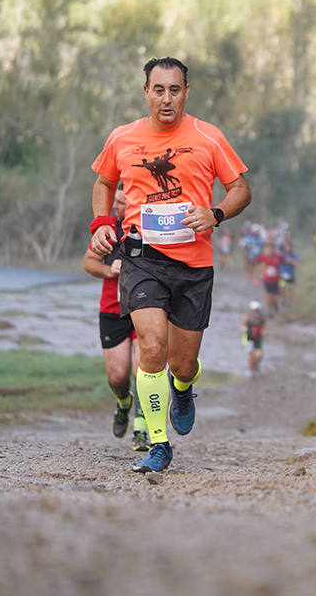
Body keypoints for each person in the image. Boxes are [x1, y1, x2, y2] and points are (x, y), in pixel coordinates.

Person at [89, 56, 251, 473]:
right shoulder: (123, 137)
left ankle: (183, 387)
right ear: (146, 92)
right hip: (142, 258)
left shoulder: (208, 136)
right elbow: (104, 182)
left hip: (194, 265)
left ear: (186, 92)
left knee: (182, 362)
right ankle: (158, 444)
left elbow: (240, 189)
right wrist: (103, 223)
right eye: (158, 90)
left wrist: (214, 214)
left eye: (174, 90)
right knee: (153, 346)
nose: (166, 98)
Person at [82, 185, 149, 451]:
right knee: (118, 375)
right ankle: (123, 404)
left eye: (122, 203)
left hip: (143, 306)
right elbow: (89, 262)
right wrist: (111, 269)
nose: (117, 207)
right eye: (116, 202)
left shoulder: (146, 228)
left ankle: (142, 430)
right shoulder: (108, 229)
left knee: (142, 370)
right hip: (112, 309)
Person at [255, 242, 283, 315]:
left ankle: (275, 304)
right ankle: (269, 311)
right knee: (268, 295)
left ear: (274, 250)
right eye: (268, 249)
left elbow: (284, 261)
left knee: (275, 296)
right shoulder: (264, 257)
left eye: (271, 249)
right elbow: (256, 260)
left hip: (277, 280)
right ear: (266, 250)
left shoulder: (278, 257)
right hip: (267, 280)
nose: (270, 251)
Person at [241, 300, 266, 375]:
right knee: (251, 355)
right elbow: (242, 326)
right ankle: (252, 371)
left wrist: (263, 331)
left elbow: (264, 325)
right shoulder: (247, 316)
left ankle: (256, 365)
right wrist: (246, 330)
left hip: (258, 337)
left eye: (257, 309)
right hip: (249, 337)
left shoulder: (261, 316)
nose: (256, 310)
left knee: (259, 355)